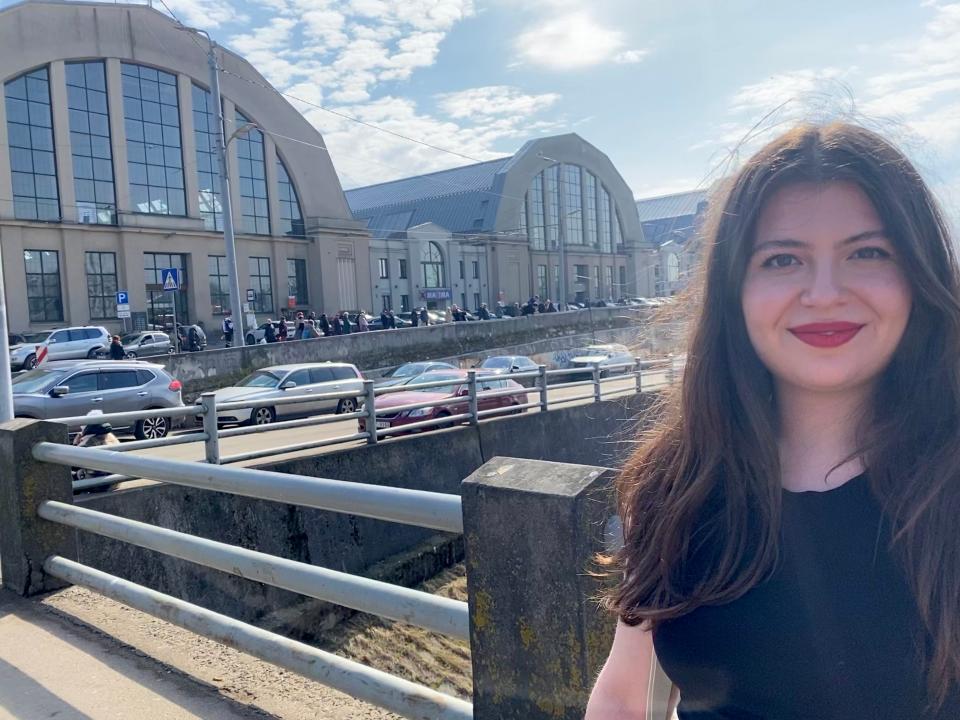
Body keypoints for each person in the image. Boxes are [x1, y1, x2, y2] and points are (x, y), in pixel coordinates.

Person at [586, 123, 960, 719]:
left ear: (919, 275)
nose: (824, 292)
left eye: (867, 252)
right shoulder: (679, 484)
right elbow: (625, 694)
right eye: (783, 259)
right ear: (734, 291)